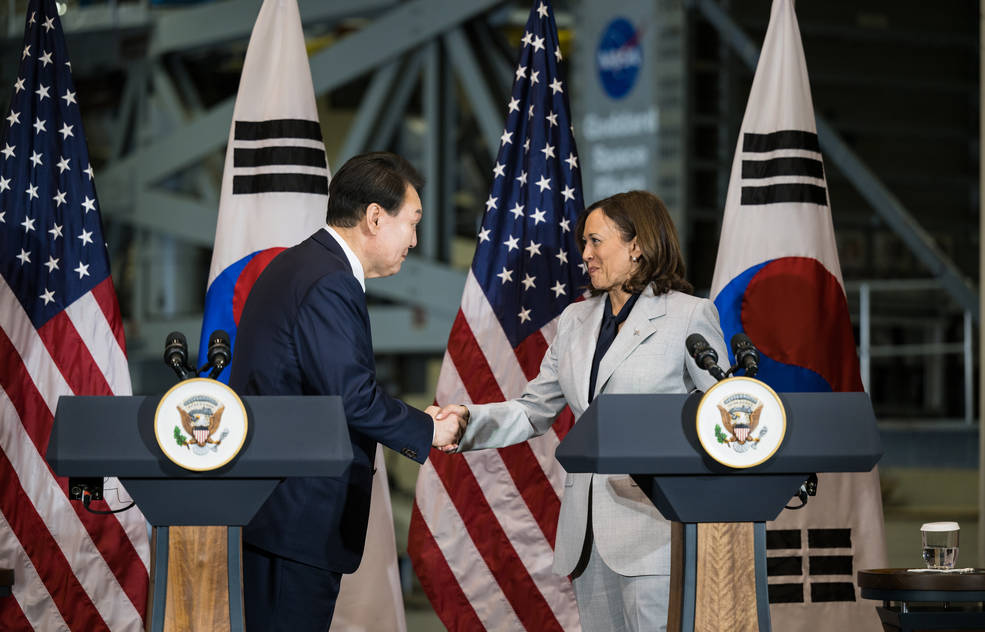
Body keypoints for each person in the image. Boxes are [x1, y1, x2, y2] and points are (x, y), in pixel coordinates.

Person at [432, 190, 729, 631]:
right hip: (586, 539)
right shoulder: (575, 320)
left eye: (595, 242)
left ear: (637, 245)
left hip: (656, 536)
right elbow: (533, 409)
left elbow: (722, 417)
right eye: (583, 244)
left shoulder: (689, 316)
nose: (584, 255)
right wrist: (464, 421)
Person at [229, 151, 465, 631]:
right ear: (375, 217)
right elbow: (352, 398)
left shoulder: (303, 265)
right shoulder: (330, 280)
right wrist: (430, 430)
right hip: (294, 521)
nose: (415, 240)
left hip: (277, 516)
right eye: (412, 223)